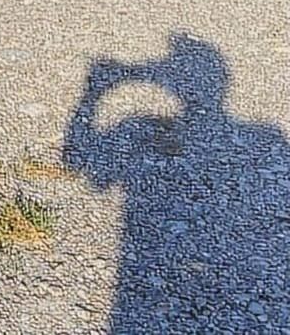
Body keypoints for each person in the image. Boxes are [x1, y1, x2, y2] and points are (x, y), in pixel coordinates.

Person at [63, 33, 290, 333]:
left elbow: (80, 164)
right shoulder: (268, 137)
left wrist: (93, 92)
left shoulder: (134, 124)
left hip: (136, 286)